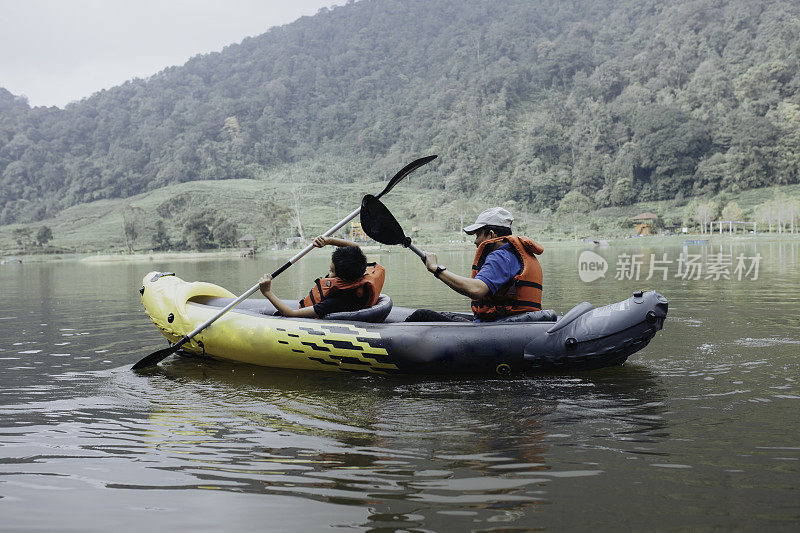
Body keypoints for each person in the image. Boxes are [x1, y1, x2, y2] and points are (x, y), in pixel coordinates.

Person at [410, 207, 544, 322]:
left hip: (500, 328)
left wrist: (436, 269)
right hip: (512, 322)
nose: (475, 242)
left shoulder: (501, 256)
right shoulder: (513, 253)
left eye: (477, 235)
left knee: (421, 315)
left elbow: (476, 290)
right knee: (444, 316)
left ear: (491, 235)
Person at [259, 235, 385, 318]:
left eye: (331, 270)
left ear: (343, 278)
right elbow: (355, 247)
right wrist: (328, 241)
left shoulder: (337, 301)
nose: (329, 274)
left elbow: (291, 313)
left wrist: (267, 292)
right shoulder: (358, 271)